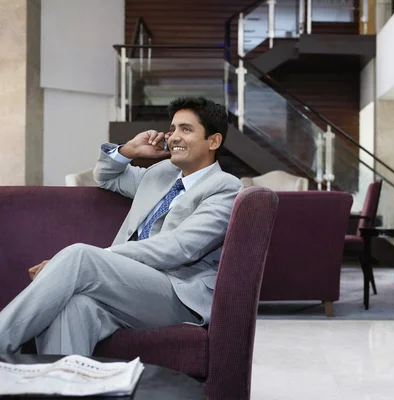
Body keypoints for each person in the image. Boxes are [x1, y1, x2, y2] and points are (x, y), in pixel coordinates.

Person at [0, 96, 243, 356]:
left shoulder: (225, 188)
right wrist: (129, 151)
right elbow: (105, 177)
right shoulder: (159, 174)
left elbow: (179, 248)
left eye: (186, 129)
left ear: (213, 141)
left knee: (80, 256)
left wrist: (90, 260)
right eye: (172, 129)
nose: (174, 137)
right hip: (130, 288)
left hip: (179, 294)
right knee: (76, 306)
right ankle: (60, 387)